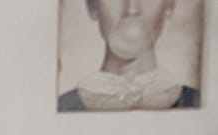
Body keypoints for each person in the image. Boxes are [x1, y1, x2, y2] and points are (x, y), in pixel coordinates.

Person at [61, 0, 200, 110]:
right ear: (92, 6)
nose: (131, 9)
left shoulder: (194, 102)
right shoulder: (65, 106)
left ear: (169, 5)